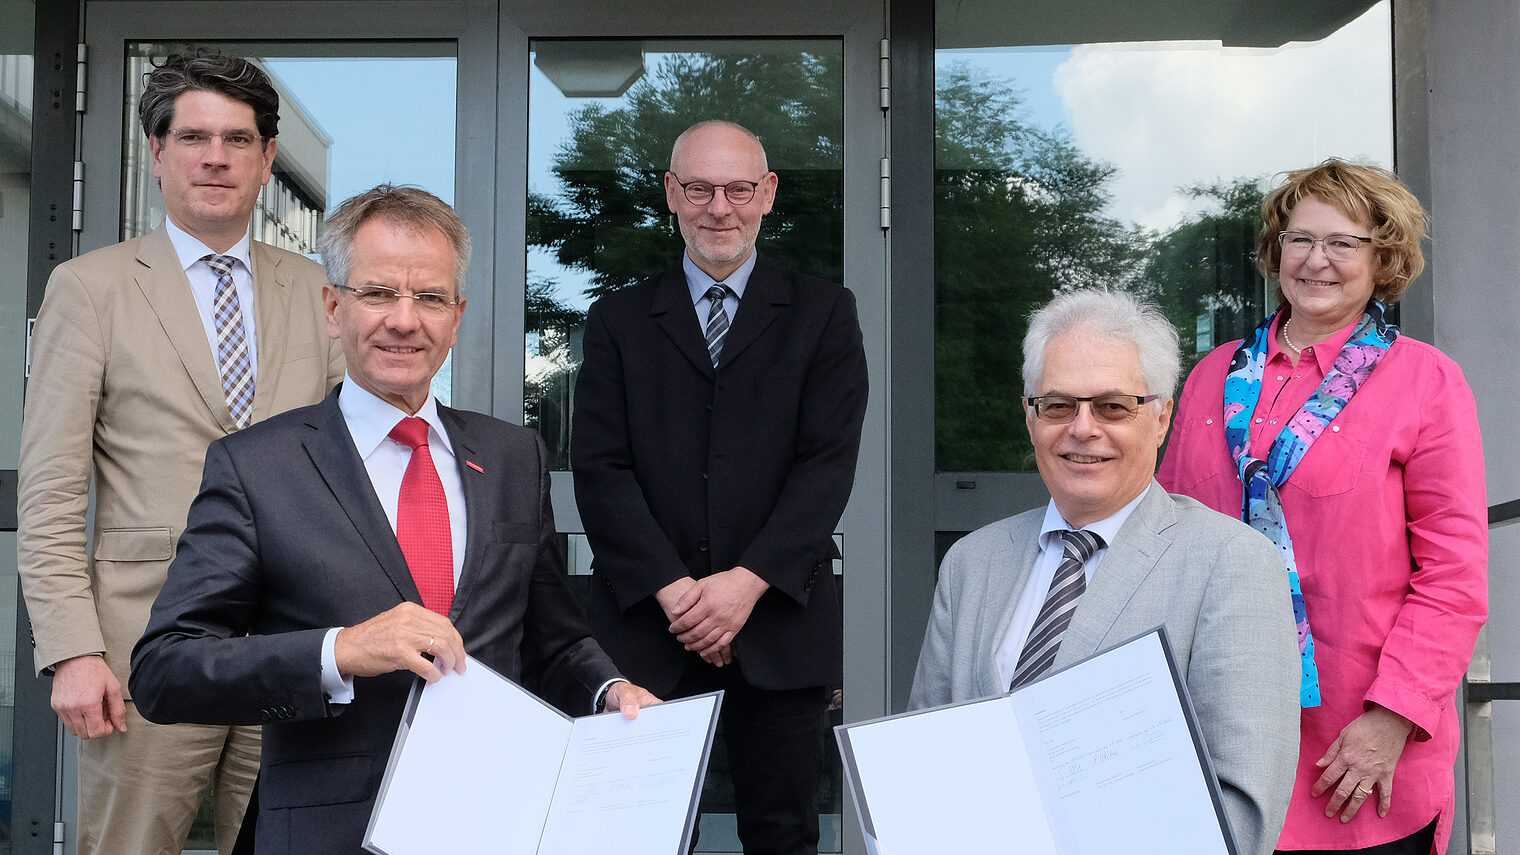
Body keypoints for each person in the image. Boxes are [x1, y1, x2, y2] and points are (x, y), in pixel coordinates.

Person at [129, 185, 657, 855]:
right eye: (378, 293)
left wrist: (610, 690)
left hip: (496, 824)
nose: (405, 320)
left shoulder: (513, 454)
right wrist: (339, 649)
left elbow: (552, 638)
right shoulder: (256, 467)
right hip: (334, 832)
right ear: (333, 306)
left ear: (457, 317)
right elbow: (163, 670)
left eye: (430, 298)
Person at [16, 50, 343, 855]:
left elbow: (358, 458)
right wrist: (71, 650)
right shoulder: (90, 288)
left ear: (269, 158)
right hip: (142, 648)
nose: (215, 156)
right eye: (192, 136)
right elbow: (52, 487)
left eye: (238, 138)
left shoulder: (319, 290)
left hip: (292, 640)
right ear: (156, 152)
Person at [1158, 159, 1487, 855]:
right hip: (1220, 734)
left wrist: (1393, 717)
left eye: (1343, 242)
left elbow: (1453, 577)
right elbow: (1168, 541)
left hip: (1356, 755)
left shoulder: (1426, 380)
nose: (1316, 260)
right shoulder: (1213, 376)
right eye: (1299, 238)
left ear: (1385, 259)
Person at [910, 288, 1301, 855]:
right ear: (1030, 415)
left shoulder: (1232, 564)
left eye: (1113, 406)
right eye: (1059, 405)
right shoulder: (972, 563)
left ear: (1162, 415)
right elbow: (929, 760)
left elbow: (1240, 812)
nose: (1083, 428)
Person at [571, 120, 868, 855]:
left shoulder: (825, 314)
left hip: (778, 627)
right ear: (672, 194)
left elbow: (826, 465)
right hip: (647, 628)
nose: (720, 207)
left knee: (783, 835)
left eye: (739, 188)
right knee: (631, 836)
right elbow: (600, 470)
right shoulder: (617, 321)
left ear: (768, 194)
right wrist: (675, 589)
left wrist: (745, 584)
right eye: (699, 188)